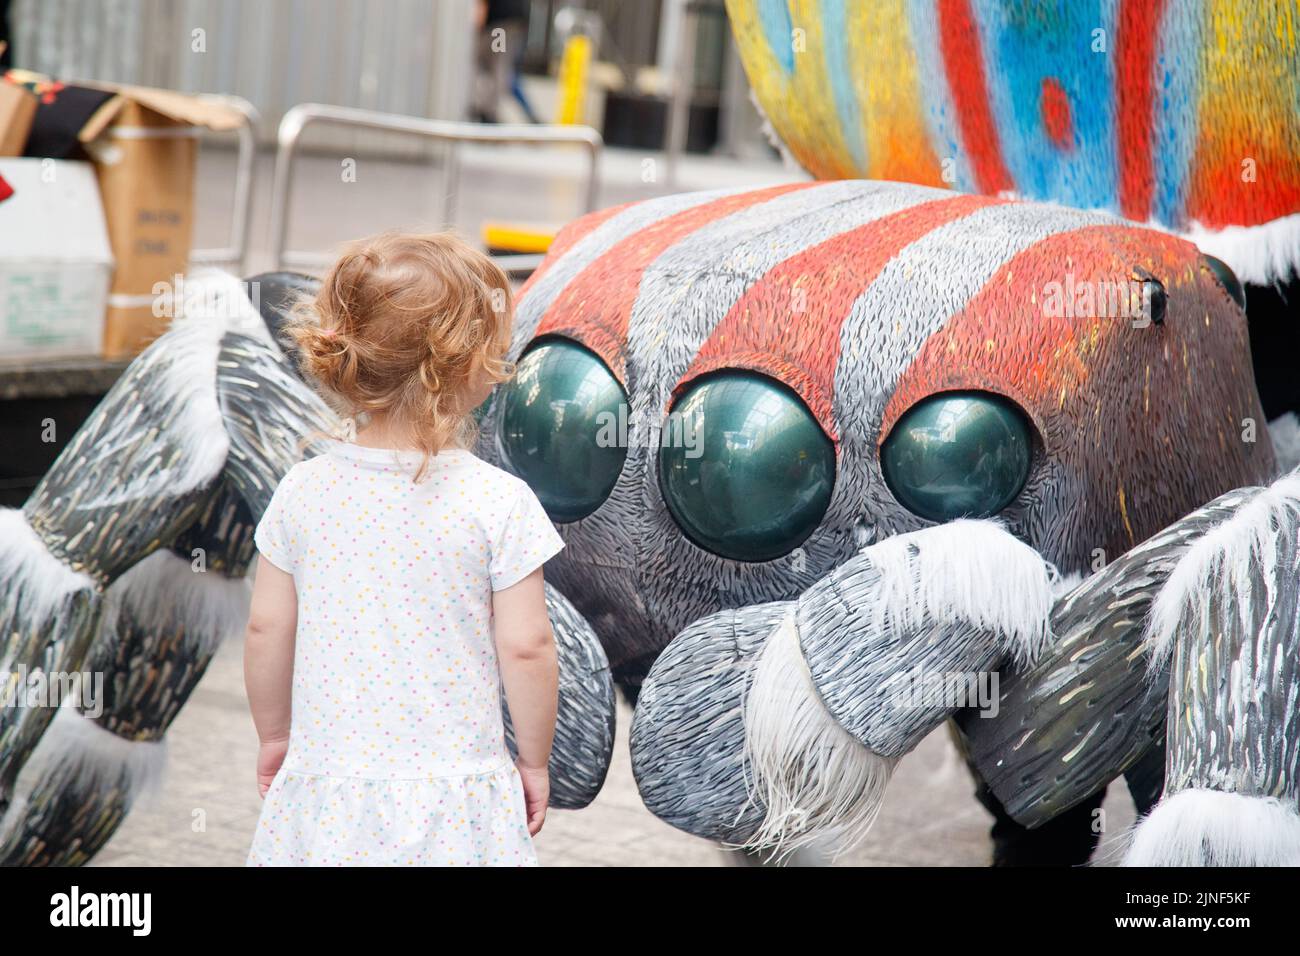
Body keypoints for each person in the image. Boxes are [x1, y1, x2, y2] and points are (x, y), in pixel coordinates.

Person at [244, 232, 563, 866]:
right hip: (457, 796)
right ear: (468, 366)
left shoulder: (302, 491)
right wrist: (534, 760)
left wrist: (276, 735)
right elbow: (528, 646)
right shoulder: (499, 501)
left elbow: (265, 626)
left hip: (327, 785)